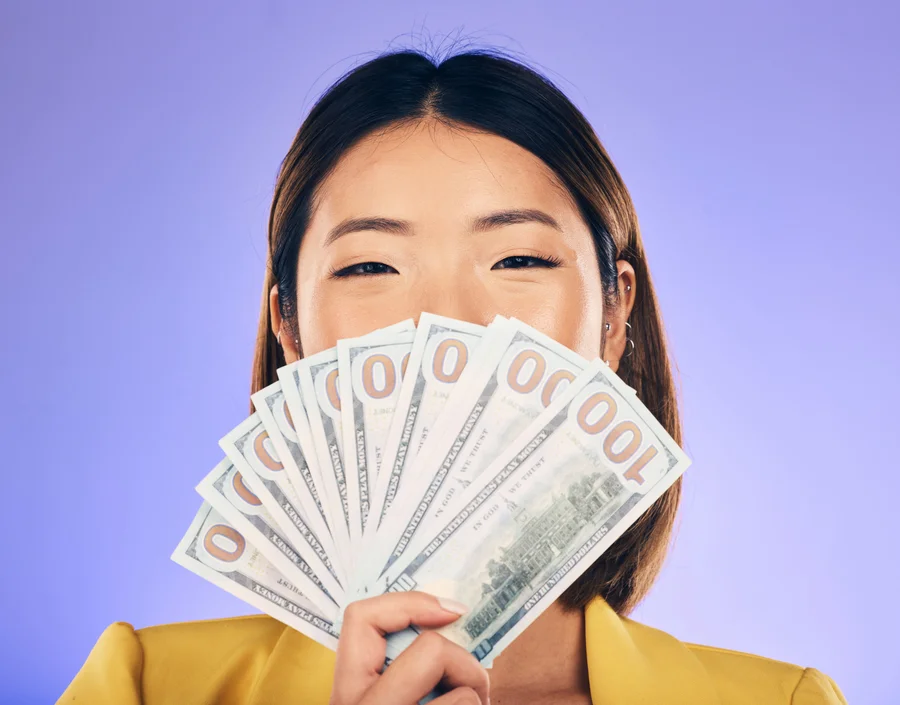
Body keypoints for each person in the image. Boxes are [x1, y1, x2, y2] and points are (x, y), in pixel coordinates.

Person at [59, 46, 847, 705]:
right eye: (371, 265)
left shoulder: (781, 701)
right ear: (289, 332)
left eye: (519, 259)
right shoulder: (144, 686)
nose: (448, 322)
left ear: (614, 315)